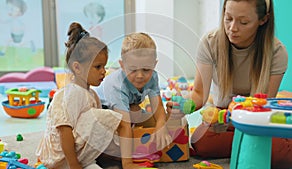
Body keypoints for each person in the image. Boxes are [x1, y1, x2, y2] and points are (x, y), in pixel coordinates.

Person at [167, 0, 291, 168]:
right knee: (200, 142)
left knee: (281, 154)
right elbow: (199, 94)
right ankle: (250, 145)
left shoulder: (277, 52)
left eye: (243, 22)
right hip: (222, 115)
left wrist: (235, 120)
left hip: (254, 119)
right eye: (228, 18)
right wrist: (184, 106)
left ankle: (258, 144)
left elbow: (264, 106)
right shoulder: (210, 43)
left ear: (263, 20)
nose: (232, 28)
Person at [36, 22, 141, 169]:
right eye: (98, 67)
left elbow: (93, 132)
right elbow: (64, 131)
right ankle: (127, 162)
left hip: (78, 155)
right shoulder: (70, 94)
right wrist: (73, 165)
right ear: (77, 68)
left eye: (104, 66)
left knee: (108, 120)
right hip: (63, 157)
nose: (103, 71)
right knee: (115, 120)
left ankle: (108, 157)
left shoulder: (90, 94)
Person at [94, 32, 172, 161]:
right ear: (122, 65)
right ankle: (106, 153)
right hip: (102, 111)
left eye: (146, 69)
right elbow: (124, 125)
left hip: (127, 108)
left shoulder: (152, 77)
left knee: (140, 114)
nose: (140, 76)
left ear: (154, 64)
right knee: (123, 138)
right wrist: (128, 162)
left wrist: (161, 125)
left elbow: (158, 108)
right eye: (133, 70)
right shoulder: (117, 86)